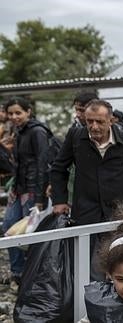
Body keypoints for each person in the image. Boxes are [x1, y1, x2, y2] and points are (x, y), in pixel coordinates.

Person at [50, 99, 123, 280]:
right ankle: (88, 301)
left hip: (119, 210)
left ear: (111, 121)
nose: (93, 126)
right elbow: (58, 168)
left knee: (120, 257)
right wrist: (59, 200)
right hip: (86, 210)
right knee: (86, 263)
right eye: (89, 121)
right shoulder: (76, 137)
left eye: (99, 121)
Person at [2, 97, 50, 285]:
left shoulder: (37, 132)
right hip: (19, 189)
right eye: (11, 113)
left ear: (28, 112)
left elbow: (42, 164)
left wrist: (39, 197)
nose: (14, 117)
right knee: (10, 229)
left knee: (28, 235)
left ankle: (31, 275)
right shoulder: (19, 131)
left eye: (18, 113)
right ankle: (18, 272)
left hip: (32, 191)